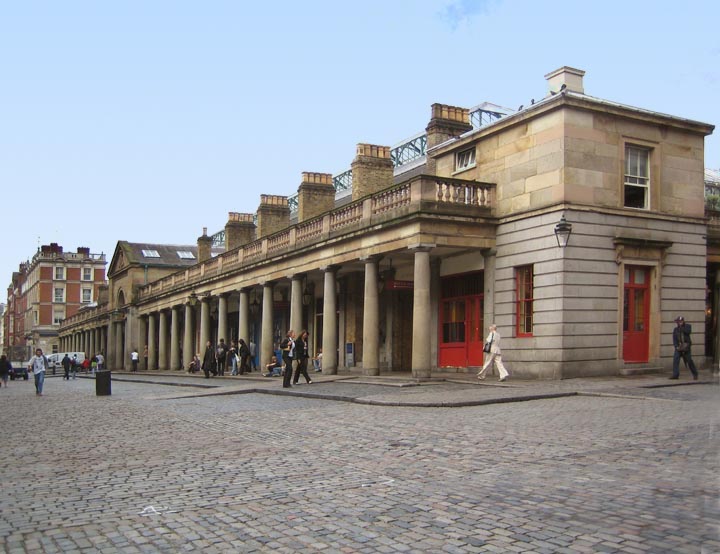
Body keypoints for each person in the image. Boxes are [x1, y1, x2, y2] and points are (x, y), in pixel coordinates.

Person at [670, 316, 699, 380]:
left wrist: (681, 327)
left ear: (682, 321)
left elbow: (688, 332)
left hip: (686, 347)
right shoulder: (675, 329)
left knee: (689, 360)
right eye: (677, 322)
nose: (678, 323)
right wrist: (676, 346)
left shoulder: (688, 326)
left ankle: (695, 374)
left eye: (679, 321)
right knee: (676, 359)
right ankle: (675, 375)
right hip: (679, 347)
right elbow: (674, 339)